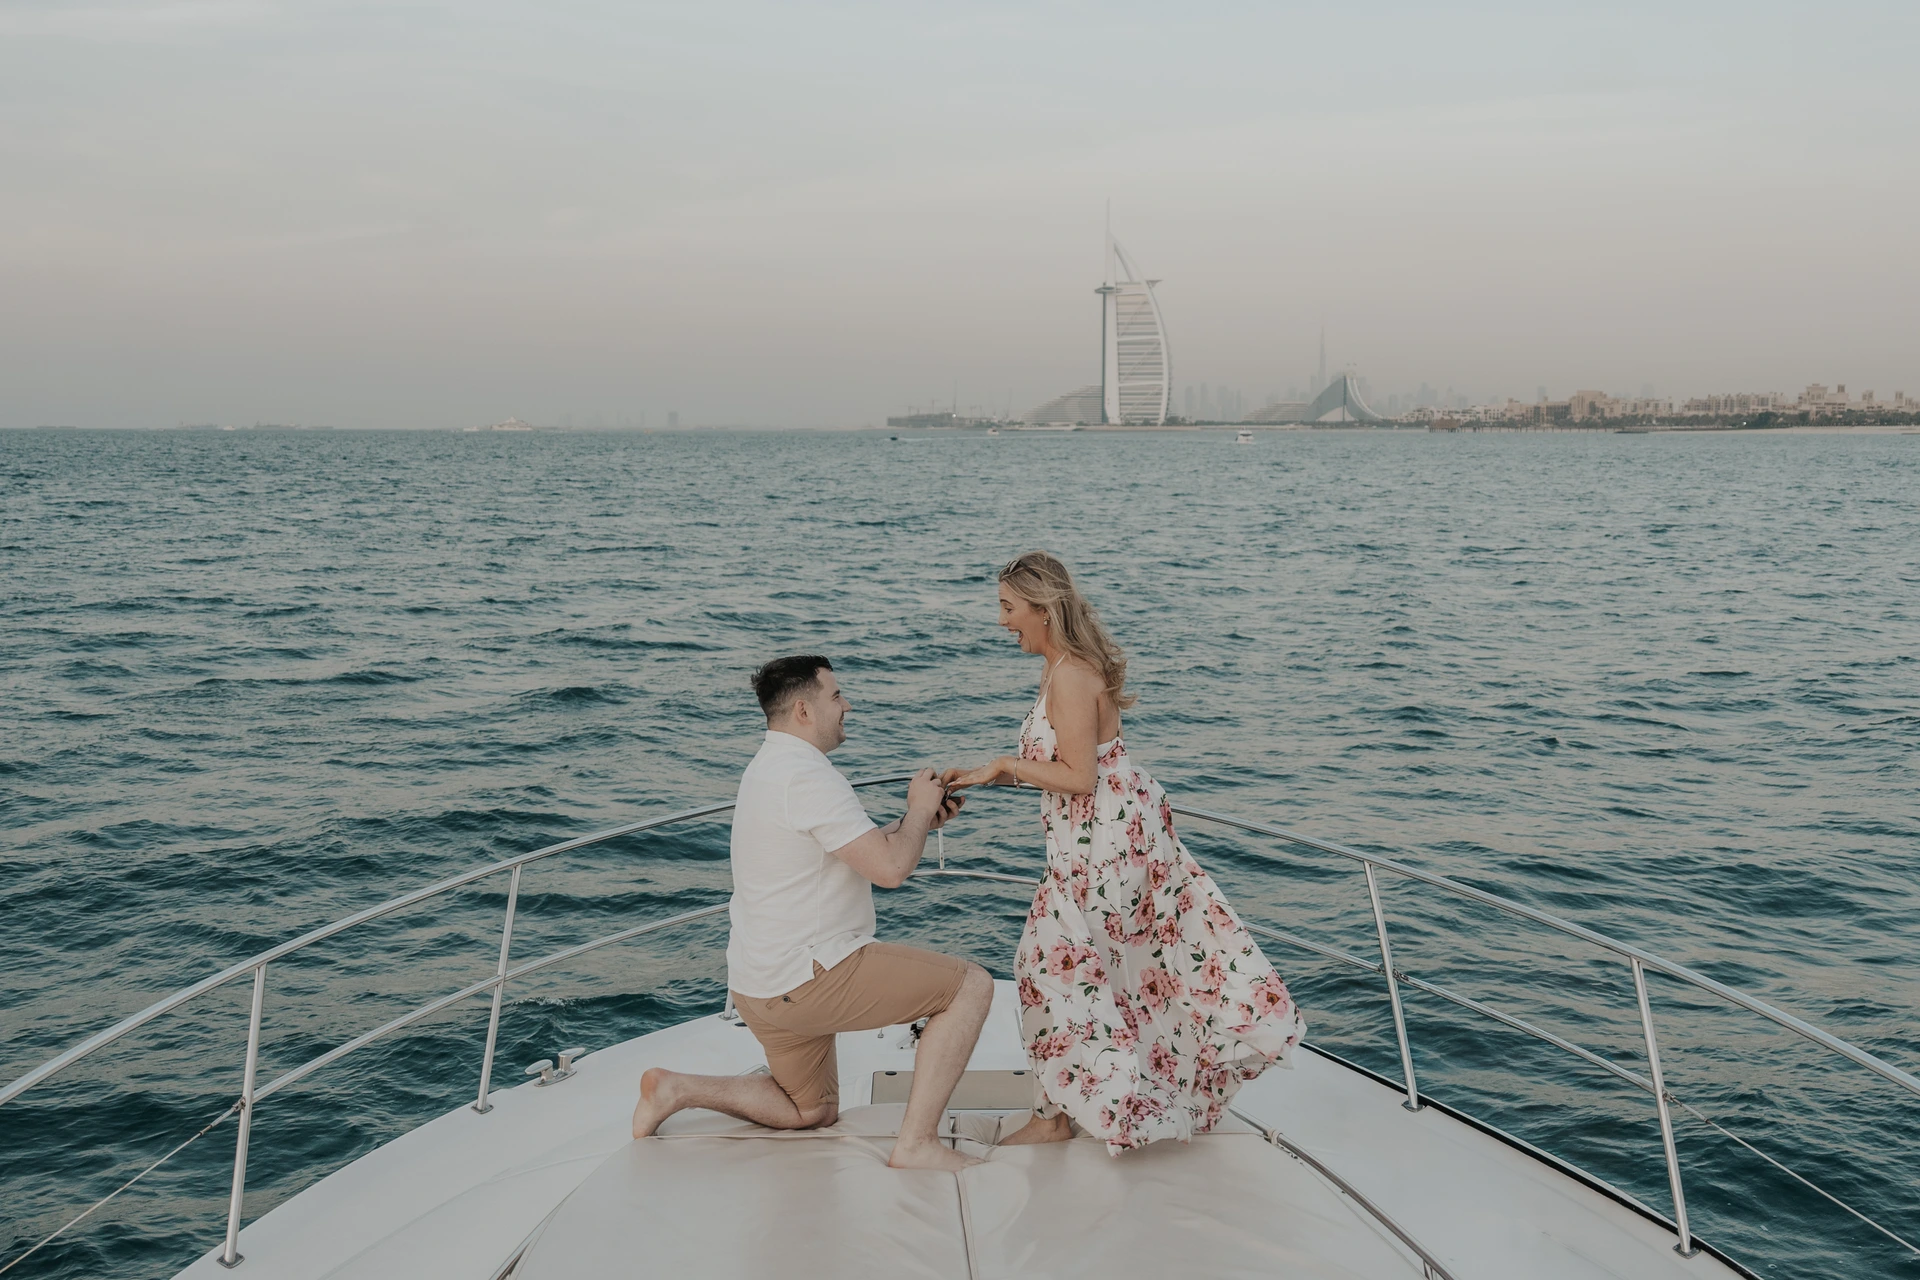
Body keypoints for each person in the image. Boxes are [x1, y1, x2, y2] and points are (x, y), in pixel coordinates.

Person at [944, 553, 1305, 1154]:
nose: (1002, 621)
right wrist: (989, 776)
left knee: (1051, 970)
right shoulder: (1062, 666)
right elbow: (1068, 769)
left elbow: (1080, 777)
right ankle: (1074, 1106)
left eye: (1008, 608)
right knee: (1100, 974)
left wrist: (1007, 763)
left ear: (1042, 608)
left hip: (1103, 846)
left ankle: (1063, 1114)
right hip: (1102, 837)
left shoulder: (1070, 675)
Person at [631, 654, 993, 1172]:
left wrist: (917, 824)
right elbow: (890, 871)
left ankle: (675, 1088)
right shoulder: (809, 778)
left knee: (812, 1110)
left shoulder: (769, 768)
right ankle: (916, 1144)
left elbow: (860, 849)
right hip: (808, 977)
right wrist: (916, 808)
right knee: (971, 986)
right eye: (836, 696)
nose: (847, 705)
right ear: (804, 710)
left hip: (760, 985)